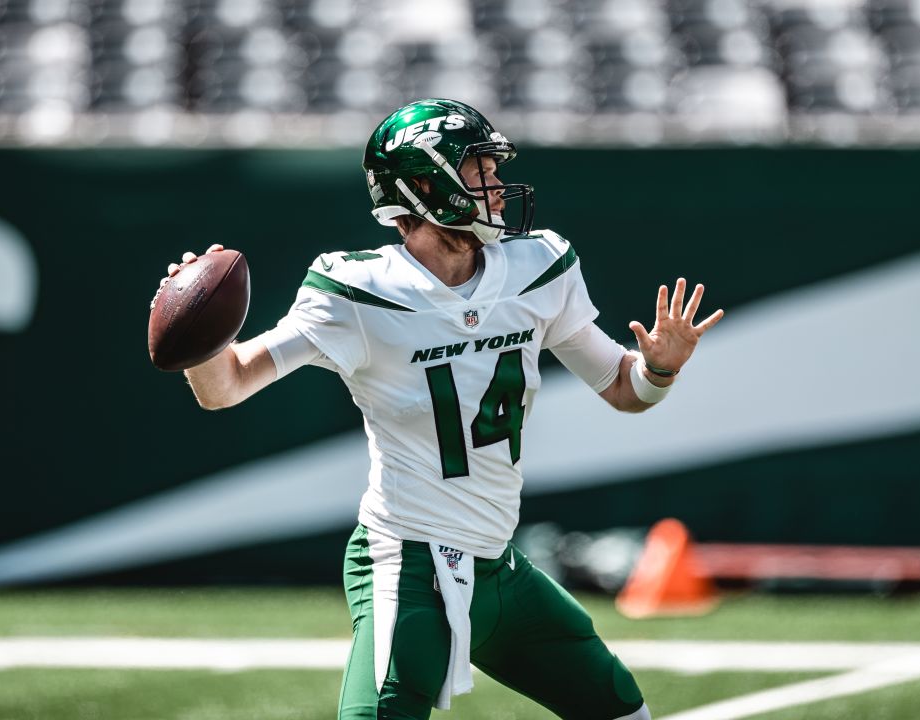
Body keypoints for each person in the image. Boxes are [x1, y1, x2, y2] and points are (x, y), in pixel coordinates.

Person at [153, 99, 723, 719]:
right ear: (423, 186)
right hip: (409, 568)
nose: (498, 187)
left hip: (500, 568)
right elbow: (226, 386)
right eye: (480, 169)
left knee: (621, 711)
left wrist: (660, 367)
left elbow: (623, 388)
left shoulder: (539, 266)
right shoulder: (356, 290)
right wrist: (198, 334)